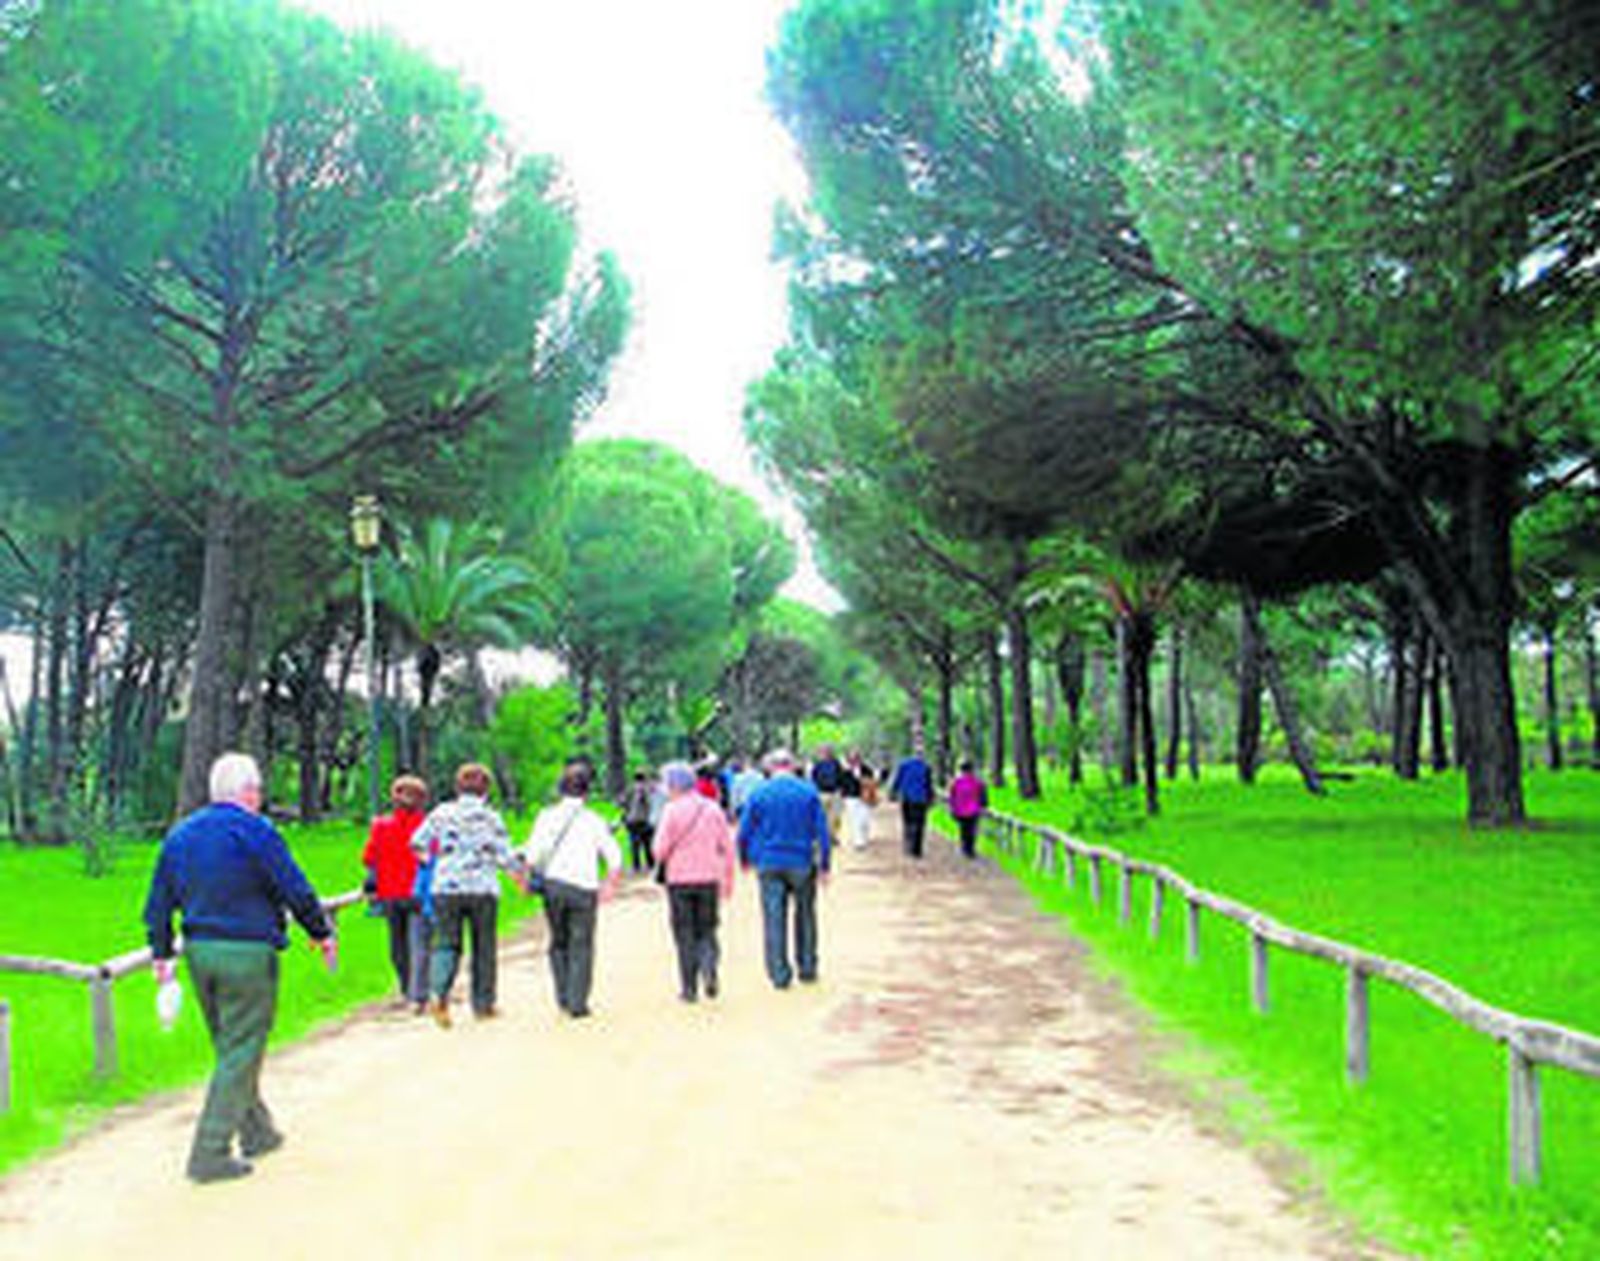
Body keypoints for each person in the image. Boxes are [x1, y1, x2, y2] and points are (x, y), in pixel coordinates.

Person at [143, 752, 336, 1183]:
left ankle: (257, 1131)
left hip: (200, 952)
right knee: (242, 1048)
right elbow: (293, 885)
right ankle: (209, 1152)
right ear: (248, 792)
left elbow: (158, 901)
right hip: (247, 950)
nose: (261, 797)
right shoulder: (256, 831)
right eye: (259, 790)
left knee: (231, 1046)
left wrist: (161, 952)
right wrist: (320, 931)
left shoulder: (180, 836)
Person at [411, 763, 519, 1027]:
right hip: (483, 888)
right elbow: (506, 858)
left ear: (458, 787)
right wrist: (519, 872)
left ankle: (439, 993)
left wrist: (433, 862)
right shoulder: (491, 818)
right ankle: (483, 1005)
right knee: (484, 946)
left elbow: (417, 843)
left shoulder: (441, 813)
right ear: (486, 789)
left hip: (446, 888)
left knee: (446, 942)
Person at [525, 761, 623, 1017]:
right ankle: (578, 1001)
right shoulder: (594, 820)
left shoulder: (545, 817)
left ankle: (563, 997)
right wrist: (610, 883)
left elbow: (533, 856)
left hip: (553, 886)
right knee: (582, 943)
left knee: (558, 942)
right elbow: (614, 857)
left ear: (560, 790)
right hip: (584, 888)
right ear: (586, 792)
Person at [738, 747, 831, 990]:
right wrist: (825, 864)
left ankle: (779, 973)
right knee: (805, 916)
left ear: (770, 767)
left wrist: (744, 858)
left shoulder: (759, 794)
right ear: (792, 766)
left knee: (773, 918)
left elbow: (743, 831)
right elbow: (822, 831)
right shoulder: (808, 792)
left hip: (769, 862)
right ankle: (807, 967)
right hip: (801, 861)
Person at [651, 761, 737, 1002]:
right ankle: (709, 970)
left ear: (674, 786)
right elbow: (727, 848)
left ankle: (689, 988)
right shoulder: (713, 809)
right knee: (708, 929)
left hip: (679, 881)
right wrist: (728, 879)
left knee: (684, 932)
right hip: (709, 878)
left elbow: (659, 850)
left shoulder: (671, 811)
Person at [362, 775, 430, 1011]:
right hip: (419, 893)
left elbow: (368, 858)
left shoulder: (380, 826)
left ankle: (406, 987)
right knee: (419, 942)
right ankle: (419, 993)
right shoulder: (429, 826)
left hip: (390, 893)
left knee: (397, 945)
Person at [889, 747, 934, 859]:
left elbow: (897, 780)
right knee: (919, 823)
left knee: (908, 822)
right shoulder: (926, 767)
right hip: (921, 799)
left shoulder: (904, 765)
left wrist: (893, 792)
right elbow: (929, 785)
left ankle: (908, 845)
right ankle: (917, 849)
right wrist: (930, 798)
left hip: (907, 798)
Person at [947, 760, 989, 860]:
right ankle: (971, 849)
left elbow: (952, 796)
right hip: (974, 810)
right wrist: (984, 805)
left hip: (960, 810)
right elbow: (983, 796)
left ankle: (964, 847)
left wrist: (952, 808)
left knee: (963, 829)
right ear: (971, 769)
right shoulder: (978, 782)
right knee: (972, 830)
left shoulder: (955, 782)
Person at [622, 770, 655, 873]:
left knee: (634, 845)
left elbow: (622, 803)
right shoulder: (648, 790)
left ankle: (636, 866)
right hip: (645, 821)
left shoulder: (630, 789)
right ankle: (650, 865)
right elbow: (651, 804)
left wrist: (626, 813)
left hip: (632, 822)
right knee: (647, 844)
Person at [809, 744, 845, 837]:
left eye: (827, 751)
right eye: (823, 751)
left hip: (835, 793)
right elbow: (813, 778)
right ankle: (823, 835)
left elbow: (842, 777)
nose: (825, 753)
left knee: (836, 816)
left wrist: (841, 789)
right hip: (822, 793)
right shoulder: (817, 765)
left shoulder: (837, 763)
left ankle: (833, 835)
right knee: (822, 816)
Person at [841, 753, 873, 850]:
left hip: (864, 797)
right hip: (851, 797)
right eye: (852, 759)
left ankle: (864, 836)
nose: (854, 761)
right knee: (854, 820)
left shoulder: (866, 769)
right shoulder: (846, 771)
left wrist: (863, 780)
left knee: (864, 819)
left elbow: (872, 781)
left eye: (856, 758)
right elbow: (842, 783)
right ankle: (858, 841)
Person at [728, 755, 765, 820]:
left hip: (743, 806)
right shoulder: (760, 777)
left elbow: (734, 795)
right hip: (757, 805)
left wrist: (732, 809)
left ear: (743, 765)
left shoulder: (738, 778)